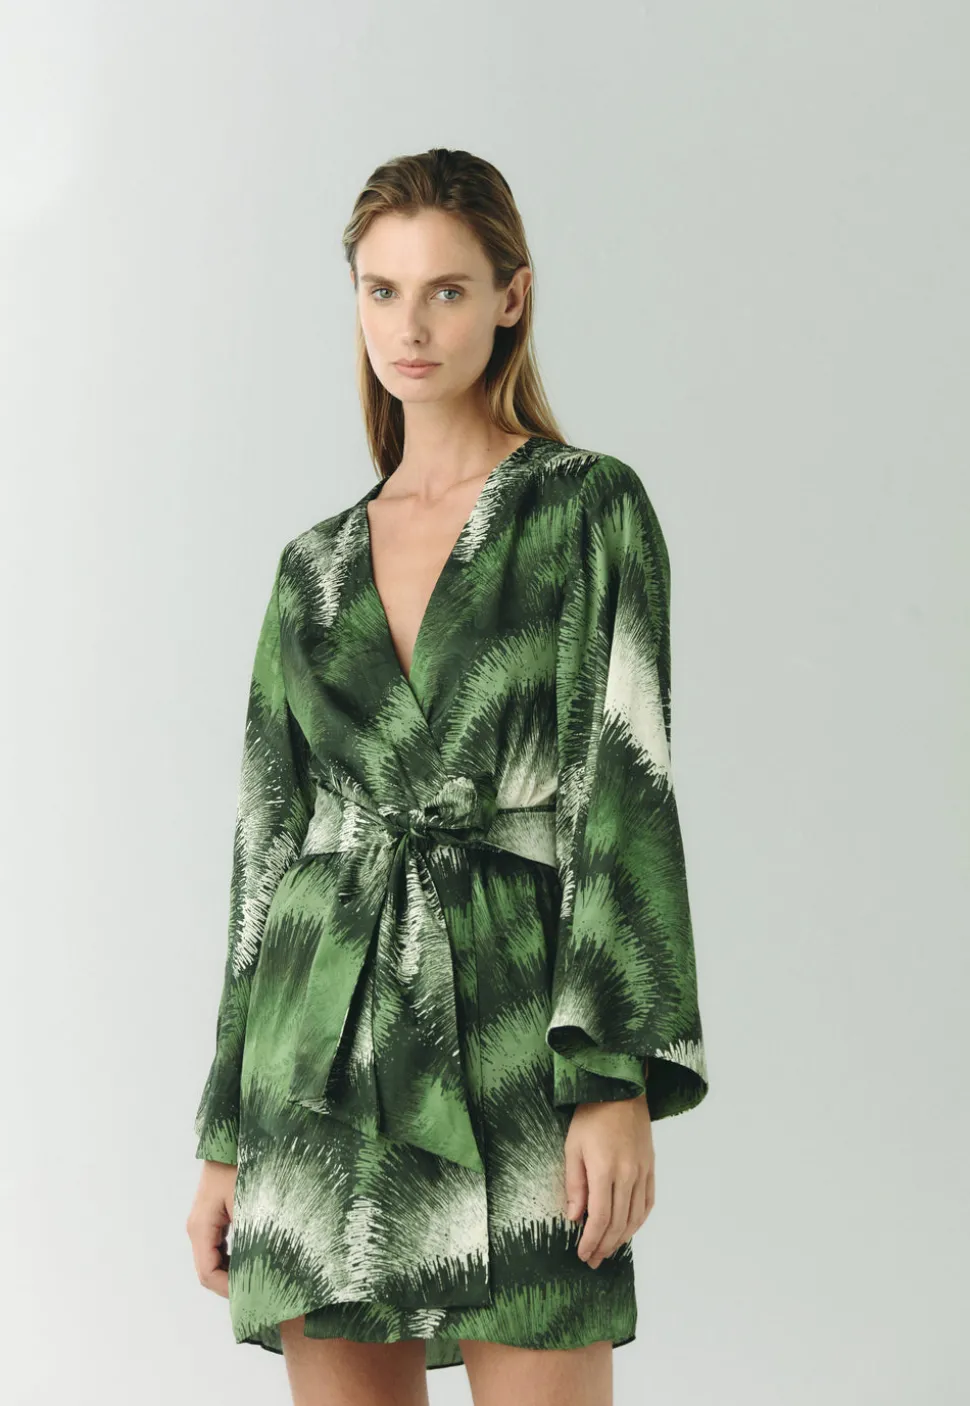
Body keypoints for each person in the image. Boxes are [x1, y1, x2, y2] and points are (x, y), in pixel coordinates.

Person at [186, 147, 709, 1406]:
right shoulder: (311, 569)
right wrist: (223, 1137)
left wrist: (613, 1080)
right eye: (381, 291)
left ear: (510, 298)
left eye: (446, 291)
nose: (409, 327)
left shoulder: (586, 510)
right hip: (314, 1061)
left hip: (522, 1042)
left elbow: (624, 790)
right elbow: (266, 850)